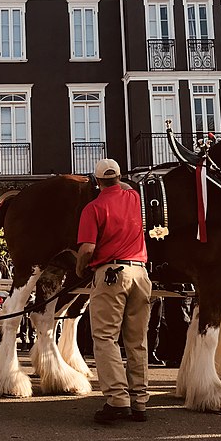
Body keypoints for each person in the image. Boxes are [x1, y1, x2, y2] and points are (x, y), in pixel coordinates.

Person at [76, 158, 152, 424]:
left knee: (106, 338)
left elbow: (86, 249)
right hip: (141, 273)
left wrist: (79, 267)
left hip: (110, 274)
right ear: (119, 178)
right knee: (137, 340)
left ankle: (118, 400)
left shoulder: (93, 207)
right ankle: (140, 401)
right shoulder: (134, 197)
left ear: (97, 182)